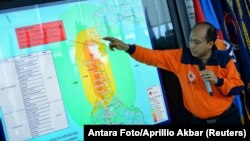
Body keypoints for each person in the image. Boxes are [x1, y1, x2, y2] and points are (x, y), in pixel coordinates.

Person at [103, 22, 245, 125]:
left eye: (197, 42)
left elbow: (238, 87)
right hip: (197, 123)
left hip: (227, 121)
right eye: (190, 41)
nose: (192, 46)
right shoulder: (181, 57)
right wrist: (128, 48)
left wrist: (219, 81)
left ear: (210, 44)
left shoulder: (224, 59)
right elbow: (153, 57)